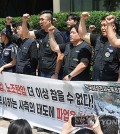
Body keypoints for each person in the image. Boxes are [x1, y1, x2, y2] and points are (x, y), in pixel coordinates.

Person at [79, 12, 120, 81]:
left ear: (113, 26)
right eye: (101, 25)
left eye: (105, 25)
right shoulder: (98, 38)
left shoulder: (117, 42)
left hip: (111, 83)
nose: (102, 28)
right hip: (96, 81)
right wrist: (82, 19)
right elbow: (83, 35)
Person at [22, 10, 64, 79]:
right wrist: (24, 21)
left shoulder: (56, 34)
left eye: (42, 20)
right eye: (39, 20)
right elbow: (26, 34)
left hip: (51, 73)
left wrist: (56, 73)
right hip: (42, 71)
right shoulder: (41, 32)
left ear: (49, 21)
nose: (40, 22)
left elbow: (61, 54)